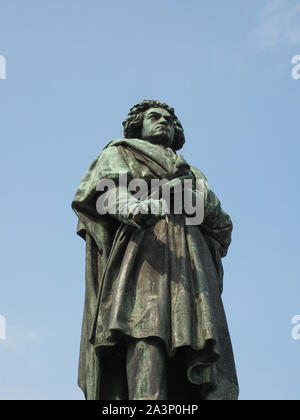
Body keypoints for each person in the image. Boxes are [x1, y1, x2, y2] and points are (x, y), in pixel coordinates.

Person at [72, 99, 239, 400]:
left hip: (191, 263)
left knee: (193, 336)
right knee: (145, 329)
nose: (163, 121)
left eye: (169, 119)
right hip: (144, 254)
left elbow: (222, 226)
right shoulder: (120, 152)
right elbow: (106, 193)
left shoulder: (192, 173)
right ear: (139, 124)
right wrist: (135, 208)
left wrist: (194, 197)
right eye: (154, 116)